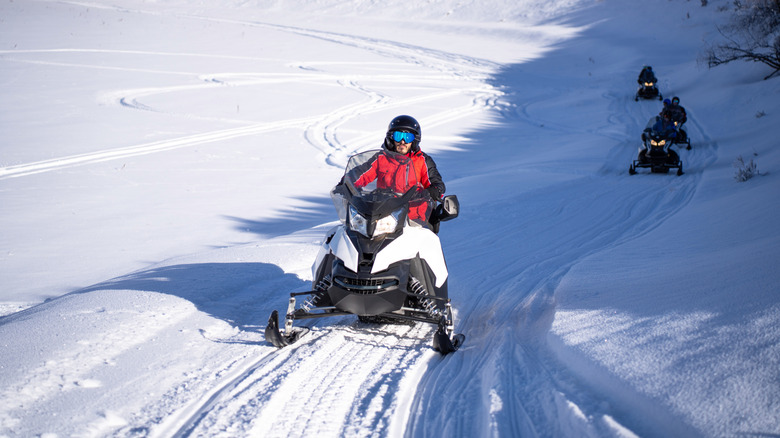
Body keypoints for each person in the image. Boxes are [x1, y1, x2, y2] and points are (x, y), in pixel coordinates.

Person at [352, 115, 446, 228]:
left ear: (414, 140)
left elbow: (436, 183)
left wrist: (433, 191)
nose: (402, 141)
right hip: (383, 216)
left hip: (414, 219)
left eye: (408, 137)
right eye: (398, 136)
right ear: (391, 138)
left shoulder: (423, 161)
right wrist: (347, 183)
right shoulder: (381, 158)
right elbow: (361, 174)